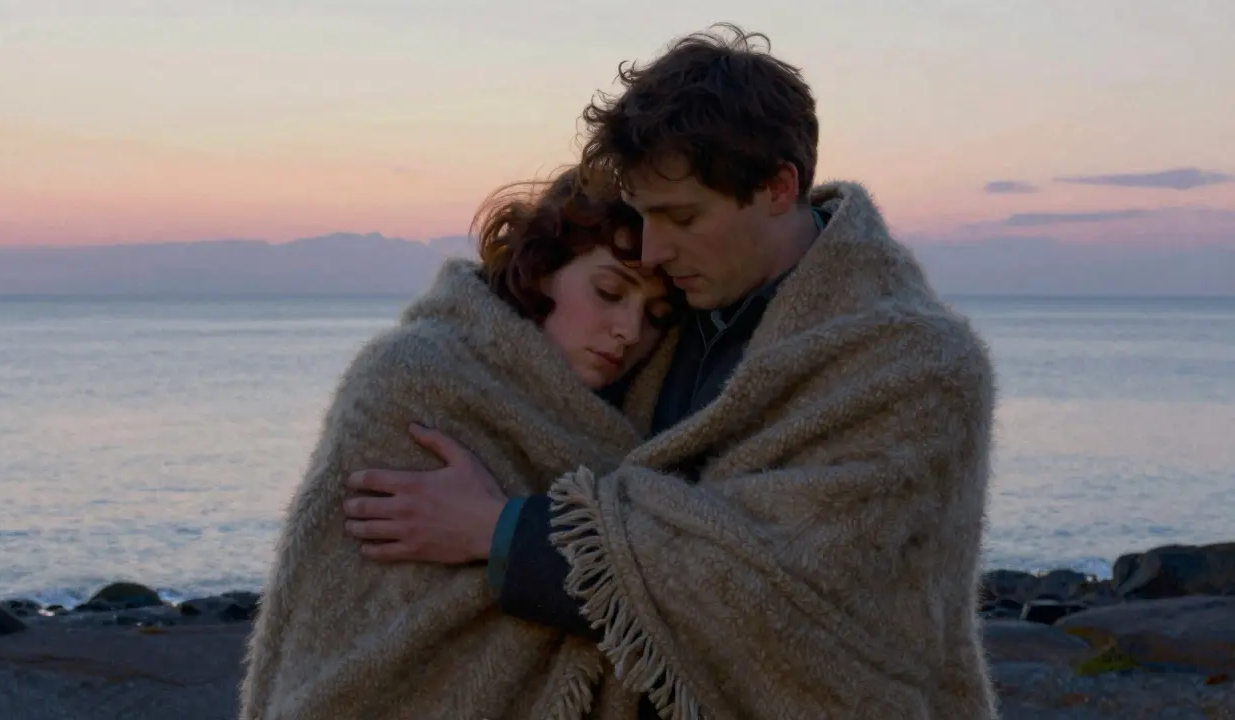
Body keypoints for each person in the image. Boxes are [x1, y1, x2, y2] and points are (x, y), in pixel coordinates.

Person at [344, 23, 1001, 720]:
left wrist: (499, 531)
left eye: (681, 217)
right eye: (644, 216)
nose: (653, 250)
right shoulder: (676, 315)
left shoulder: (917, 367)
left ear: (778, 187)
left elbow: (779, 590)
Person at [238, 165, 687, 720]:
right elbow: (342, 599)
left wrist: (499, 528)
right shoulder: (413, 377)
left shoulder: (646, 422)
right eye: (609, 292)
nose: (629, 330)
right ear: (544, 269)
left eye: (656, 316)